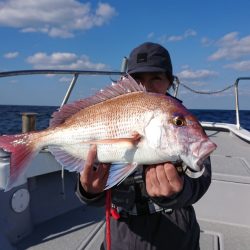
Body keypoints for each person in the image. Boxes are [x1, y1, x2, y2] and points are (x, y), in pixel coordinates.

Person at [75, 42, 212, 250]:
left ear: (169, 82)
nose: (146, 87)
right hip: (122, 232)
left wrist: (178, 192)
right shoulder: (112, 118)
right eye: (138, 79)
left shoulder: (179, 119)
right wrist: (89, 192)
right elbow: (97, 190)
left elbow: (200, 178)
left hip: (176, 234)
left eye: (156, 78)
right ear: (127, 82)